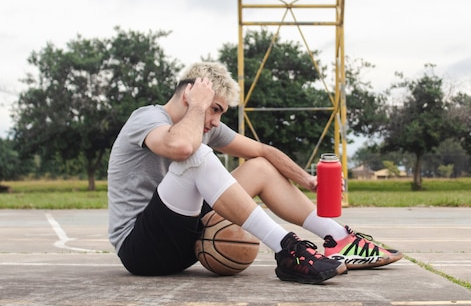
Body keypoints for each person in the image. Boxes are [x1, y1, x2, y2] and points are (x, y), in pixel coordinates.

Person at [107, 62, 402, 284]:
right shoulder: (146, 118)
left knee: (260, 166)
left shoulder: (205, 125)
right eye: (215, 109)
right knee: (196, 154)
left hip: (185, 238)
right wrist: (199, 107)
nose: (215, 121)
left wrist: (307, 180)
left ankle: (337, 238)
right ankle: (288, 250)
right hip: (142, 248)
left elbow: (263, 151)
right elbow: (182, 146)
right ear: (190, 96)